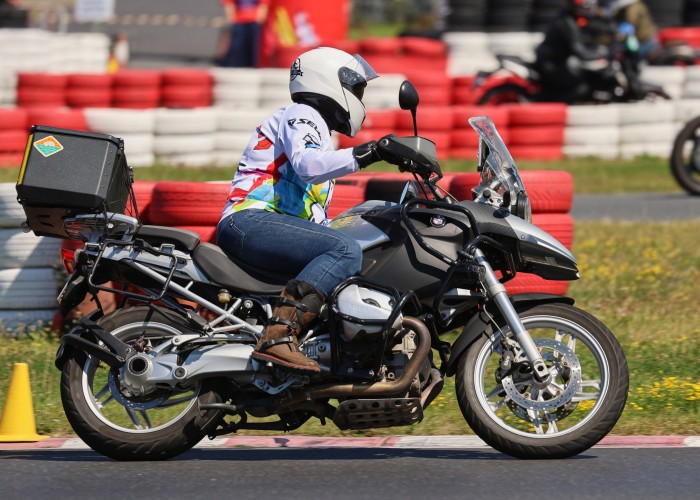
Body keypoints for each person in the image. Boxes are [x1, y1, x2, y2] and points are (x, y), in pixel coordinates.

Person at [216, 47, 396, 372]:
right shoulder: (301, 114)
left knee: (350, 249)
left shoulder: (320, 135)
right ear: (330, 81)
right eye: (356, 89)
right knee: (344, 250)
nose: (359, 98)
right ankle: (278, 336)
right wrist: (374, 151)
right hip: (251, 218)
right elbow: (309, 165)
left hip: (264, 225)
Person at [533, 0, 611, 103]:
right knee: (581, 88)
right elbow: (579, 52)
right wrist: (602, 53)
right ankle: (552, 104)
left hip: (557, 61)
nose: (587, 10)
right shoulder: (567, 22)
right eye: (584, 7)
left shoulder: (572, 18)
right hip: (550, 64)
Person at [219, 0, 269, 68]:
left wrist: (261, 16)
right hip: (238, 20)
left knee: (253, 48)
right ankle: (233, 66)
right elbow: (228, 3)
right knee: (237, 47)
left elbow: (263, 4)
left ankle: (252, 67)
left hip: (254, 20)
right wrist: (231, 17)